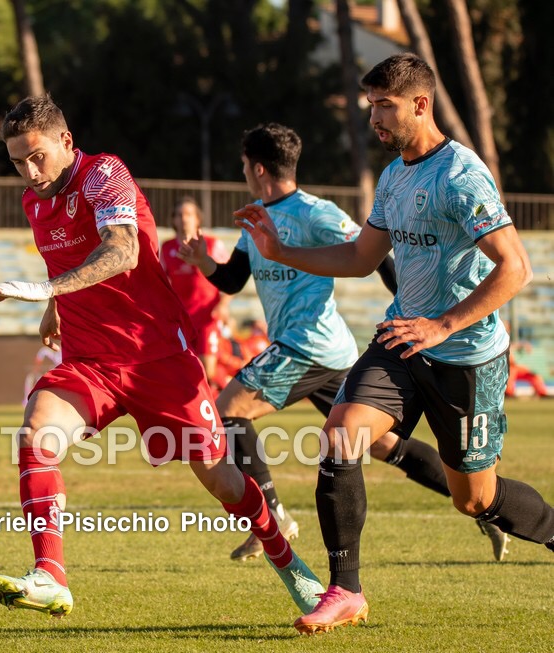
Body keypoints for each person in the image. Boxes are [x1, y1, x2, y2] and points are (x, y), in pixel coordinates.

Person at [233, 54, 554, 635]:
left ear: (420, 105)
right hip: (402, 339)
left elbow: (516, 267)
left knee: (475, 500)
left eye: (385, 105)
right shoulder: (393, 177)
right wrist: (282, 253)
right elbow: (361, 257)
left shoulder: (461, 174)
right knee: (340, 434)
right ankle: (345, 591)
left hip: (466, 357)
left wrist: (444, 324)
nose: (374, 117)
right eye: (371, 105)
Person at [0, 94, 324, 620]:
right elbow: (65, 256)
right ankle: (50, 575)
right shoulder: (35, 201)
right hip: (91, 362)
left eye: (37, 156)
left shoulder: (103, 174)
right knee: (35, 437)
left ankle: (289, 563)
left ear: (66, 142)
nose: (30, 172)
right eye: (17, 162)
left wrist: (48, 288)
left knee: (223, 481)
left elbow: (123, 250)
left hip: (158, 358)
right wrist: (54, 306)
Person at [178, 122, 510, 564]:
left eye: (243, 166)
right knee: (382, 446)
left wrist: (413, 312)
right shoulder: (256, 217)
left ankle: (272, 518)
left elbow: (374, 255)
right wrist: (204, 262)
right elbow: (234, 280)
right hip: (325, 353)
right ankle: (484, 507)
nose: (243, 173)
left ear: (258, 168)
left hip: (308, 344)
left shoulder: (316, 212)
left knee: (227, 410)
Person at [159, 197, 229, 388]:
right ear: (173, 220)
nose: (184, 219)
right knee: (184, 369)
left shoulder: (212, 244)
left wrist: (223, 306)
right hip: (181, 319)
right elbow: (162, 283)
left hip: (207, 317)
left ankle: (222, 385)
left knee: (207, 371)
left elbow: (230, 280)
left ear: (198, 218)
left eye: (188, 214)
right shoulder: (167, 247)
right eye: (179, 215)